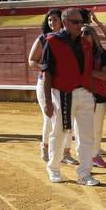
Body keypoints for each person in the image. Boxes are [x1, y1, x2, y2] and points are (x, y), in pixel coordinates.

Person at [41, 8, 101, 185]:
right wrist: (47, 101)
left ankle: (85, 173)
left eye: (82, 22)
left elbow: (88, 71)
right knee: (60, 132)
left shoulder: (86, 43)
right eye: (76, 22)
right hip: (62, 93)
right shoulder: (52, 41)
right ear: (65, 22)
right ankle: (53, 168)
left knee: (87, 135)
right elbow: (46, 73)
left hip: (85, 92)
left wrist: (92, 94)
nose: (80, 25)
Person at [28, 9, 76, 164]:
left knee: (68, 117)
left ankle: (66, 152)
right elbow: (32, 60)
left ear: (62, 21)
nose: (52, 22)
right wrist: (46, 69)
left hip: (64, 83)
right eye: (49, 20)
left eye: (55, 19)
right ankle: (46, 147)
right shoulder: (44, 38)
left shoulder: (69, 38)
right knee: (50, 117)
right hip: (46, 83)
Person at [82, 14, 106, 169]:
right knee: (83, 129)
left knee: (96, 127)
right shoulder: (77, 52)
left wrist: (88, 72)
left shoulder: (101, 53)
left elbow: (105, 75)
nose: (84, 36)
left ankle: (94, 155)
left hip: (98, 95)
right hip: (81, 94)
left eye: (87, 33)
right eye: (81, 33)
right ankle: (87, 156)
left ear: (93, 36)